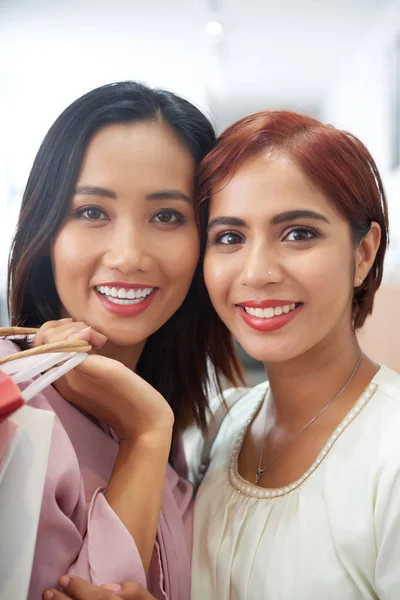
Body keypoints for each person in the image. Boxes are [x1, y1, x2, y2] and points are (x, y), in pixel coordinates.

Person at [0, 81, 242, 600]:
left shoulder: (173, 426)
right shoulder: (11, 406)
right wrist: (145, 434)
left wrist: (150, 432)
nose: (129, 254)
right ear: (44, 230)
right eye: (92, 212)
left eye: (167, 216)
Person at [190, 110, 400, 599]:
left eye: (298, 233)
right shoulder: (220, 423)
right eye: (229, 237)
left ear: (363, 253)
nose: (258, 271)